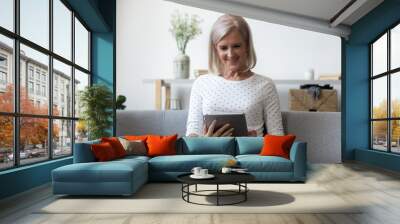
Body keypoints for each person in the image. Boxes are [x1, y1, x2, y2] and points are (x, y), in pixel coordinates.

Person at [186, 14, 284, 137]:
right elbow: (192, 134)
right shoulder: (201, 84)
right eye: (223, 48)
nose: (230, 54)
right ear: (215, 49)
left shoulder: (265, 85)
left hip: (250, 154)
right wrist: (205, 141)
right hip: (210, 154)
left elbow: (277, 136)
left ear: (247, 46)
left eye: (236, 46)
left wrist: (255, 141)